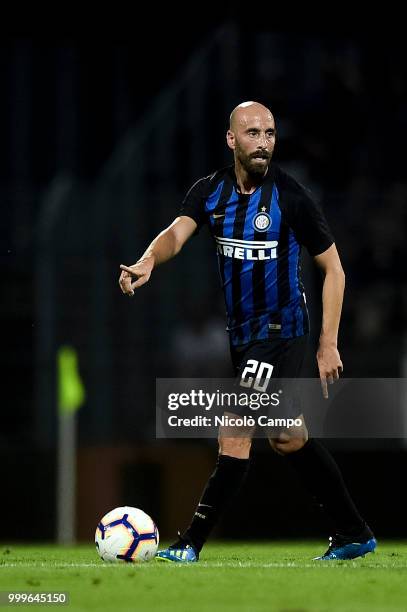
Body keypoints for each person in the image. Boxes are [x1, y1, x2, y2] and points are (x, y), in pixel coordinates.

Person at [119, 101, 377, 562]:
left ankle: (190, 545)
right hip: (243, 334)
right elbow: (177, 234)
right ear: (231, 140)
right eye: (253, 133)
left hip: (281, 330)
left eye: (271, 133)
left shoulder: (291, 197)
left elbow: (333, 270)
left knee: (234, 428)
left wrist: (328, 343)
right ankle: (354, 531)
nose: (264, 143)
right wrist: (148, 260)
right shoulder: (210, 192)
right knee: (287, 437)